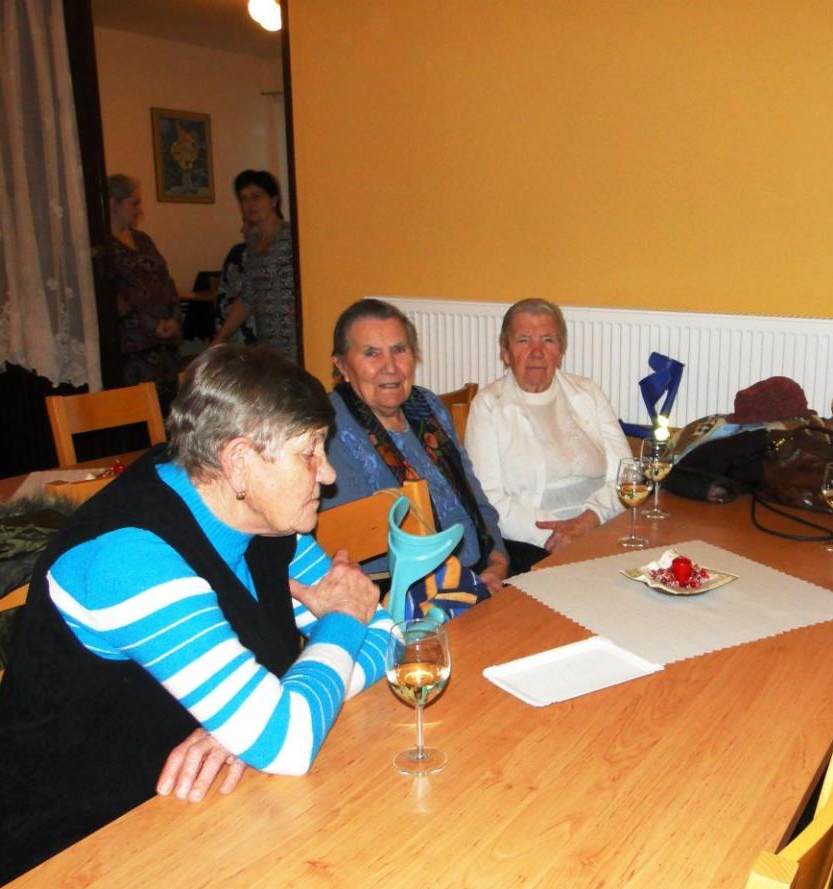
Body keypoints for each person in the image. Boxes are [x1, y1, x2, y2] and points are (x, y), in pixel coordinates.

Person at [0, 346, 390, 889]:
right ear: (239, 461)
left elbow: (388, 637)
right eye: (309, 453)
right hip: (68, 851)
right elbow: (294, 729)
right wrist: (336, 631)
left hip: (199, 810)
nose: (327, 475)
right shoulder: (130, 559)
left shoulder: (262, 517)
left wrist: (254, 725)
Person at [323, 297, 508, 596]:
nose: (390, 367)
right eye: (372, 353)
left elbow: (475, 498)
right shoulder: (330, 427)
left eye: (399, 350)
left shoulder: (427, 406)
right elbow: (357, 544)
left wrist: (498, 561)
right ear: (342, 365)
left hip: (482, 572)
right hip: (406, 593)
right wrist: (456, 588)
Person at [465, 298, 632, 574]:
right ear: (505, 352)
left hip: (600, 528)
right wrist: (556, 537)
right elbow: (490, 499)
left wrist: (587, 523)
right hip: (532, 543)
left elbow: (626, 477)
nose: (537, 352)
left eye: (548, 340)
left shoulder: (588, 392)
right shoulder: (488, 406)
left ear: (561, 350)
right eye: (523, 340)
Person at [106, 173, 182, 399]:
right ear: (114, 203)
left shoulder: (143, 240)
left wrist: (174, 318)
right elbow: (113, 296)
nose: (140, 210)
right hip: (134, 347)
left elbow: (166, 280)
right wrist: (150, 325)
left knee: (170, 404)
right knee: (140, 405)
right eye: (134, 203)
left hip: (164, 345)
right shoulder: (104, 246)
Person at [212, 170, 296, 359]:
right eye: (244, 199)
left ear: (273, 200)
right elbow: (248, 296)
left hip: (294, 335)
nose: (250, 204)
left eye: (256, 196)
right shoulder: (253, 244)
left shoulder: (291, 236)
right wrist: (221, 337)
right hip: (267, 337)